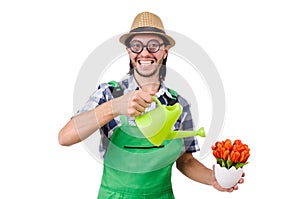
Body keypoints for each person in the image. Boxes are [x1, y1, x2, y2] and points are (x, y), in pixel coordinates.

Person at [58, 11, 245, 198]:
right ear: (128, 51)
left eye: (153, 45)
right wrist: (114, 107)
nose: (145, 52)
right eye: (137, 45)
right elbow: (65, 137)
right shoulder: (109, 94)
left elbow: (185, 161)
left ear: (165, 51)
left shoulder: (178, 104)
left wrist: (212, 178)